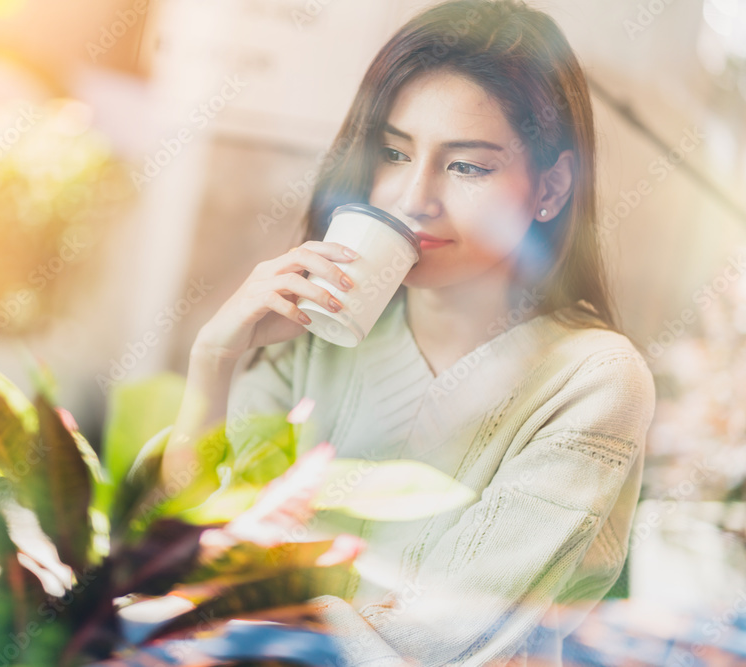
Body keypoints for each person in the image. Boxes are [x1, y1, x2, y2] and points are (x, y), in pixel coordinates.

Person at [159, 0, 657, 664]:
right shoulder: (311, 329)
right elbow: (175, 549)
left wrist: (232, 609)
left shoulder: (594, 377)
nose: (412, 198)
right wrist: (215, 358)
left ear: (553, 185)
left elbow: (444, 637)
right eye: (394, 152)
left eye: (467, 166)